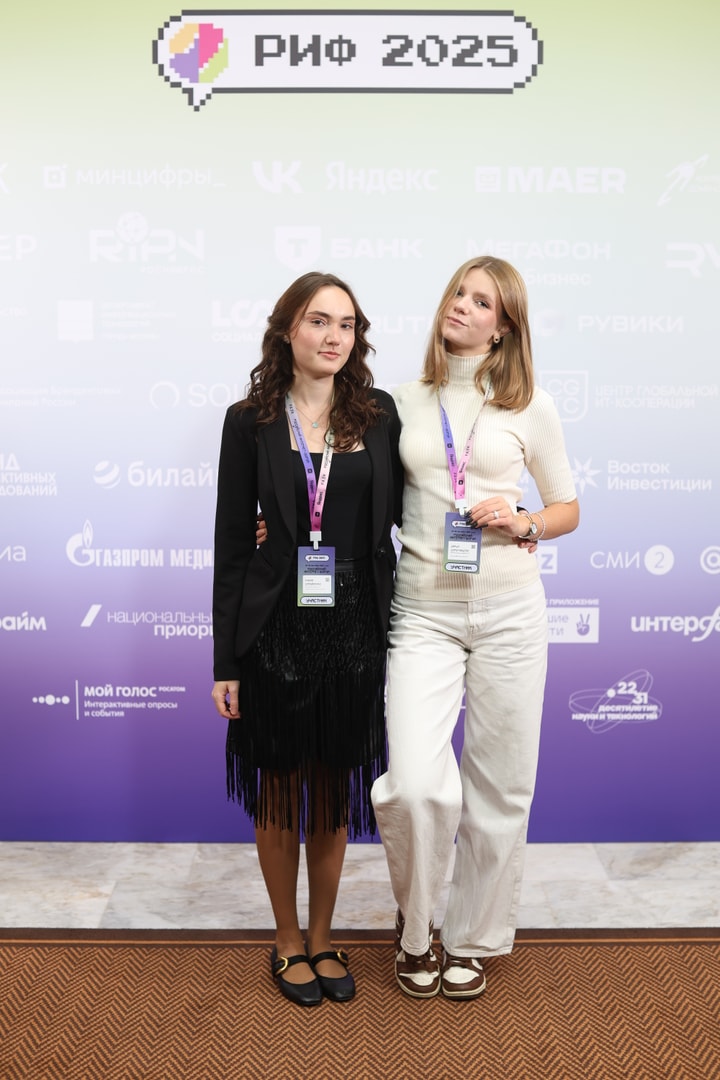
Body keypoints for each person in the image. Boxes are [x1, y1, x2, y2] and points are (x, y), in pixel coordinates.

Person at [370, 255, 579, 1000]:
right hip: (423, 612)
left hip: (511, 612)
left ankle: (470, 937)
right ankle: (416, 925)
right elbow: (357, 489)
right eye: (458, 291)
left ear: (504, 328)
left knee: (500, 785)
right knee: (415, 784)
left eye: (482, 301)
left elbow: (566, 507)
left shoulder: (531, 406)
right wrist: (283, 530)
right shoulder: (401, 402)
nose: (461, 304)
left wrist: (524, 521)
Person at [211, 271, 402, 1007]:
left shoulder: (379, 414)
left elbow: (411, 510)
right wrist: (225, 661)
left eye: (346, 325)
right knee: (280, 788)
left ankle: (323, 936)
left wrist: (508, 522)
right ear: (287, 329)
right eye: (319, 321)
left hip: (356, 621)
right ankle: (287, 939)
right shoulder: (249, 422)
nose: (334, 337)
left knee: (331, 788)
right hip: (276, 625)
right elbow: (233, 546)